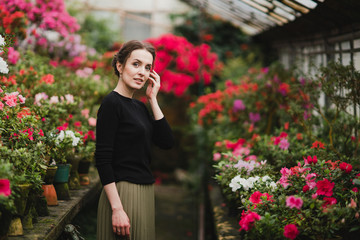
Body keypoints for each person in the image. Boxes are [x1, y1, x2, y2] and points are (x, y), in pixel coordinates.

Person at [95, 40, 174, 240]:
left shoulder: (139, 107)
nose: (142, 72)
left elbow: (166, 142)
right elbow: (103, 159)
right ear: (120, 66)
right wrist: (117, 209)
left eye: (148, 67)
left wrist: (153, 99)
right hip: (122, 194)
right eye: (136, 64)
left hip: (145, 192)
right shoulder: (111, 104)